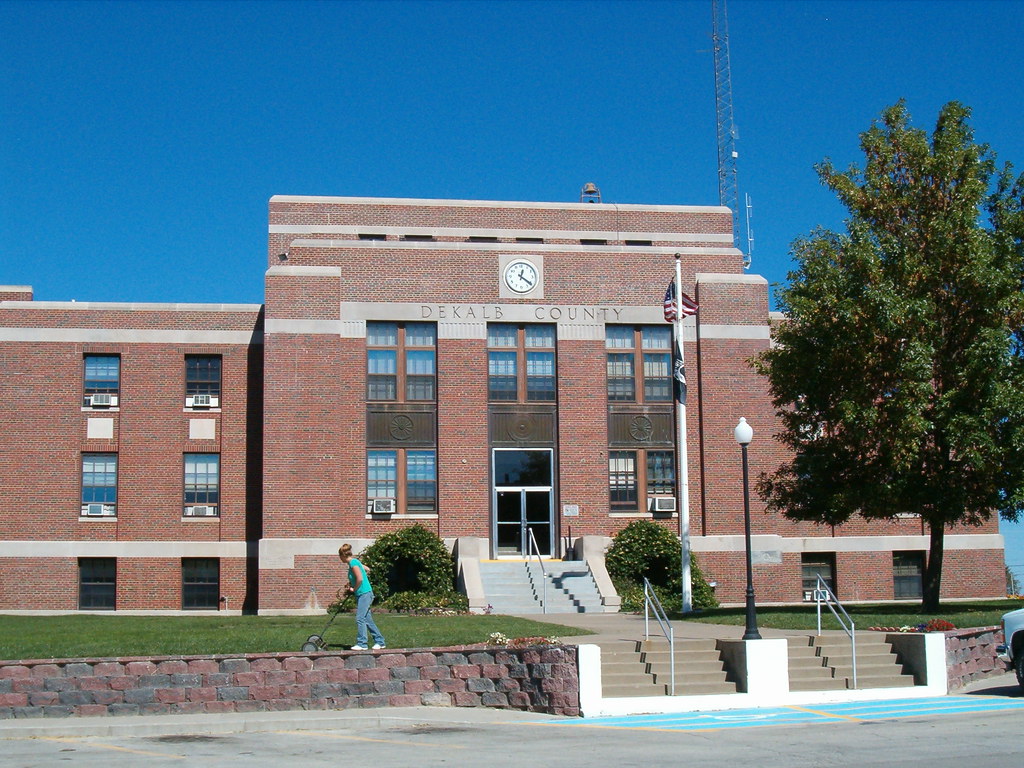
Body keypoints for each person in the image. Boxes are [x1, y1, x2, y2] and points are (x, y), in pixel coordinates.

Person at [338, 543, 386, 650]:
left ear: (343, 556)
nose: (340, 559)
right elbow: (367, 569)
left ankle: (362, 643)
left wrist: (354, 588)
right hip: (363, 593)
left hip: (364, 593)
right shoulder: (355, 562)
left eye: (339, 556)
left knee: (360, 618)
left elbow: (360, 578)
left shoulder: (353, 563)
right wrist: (352, 582)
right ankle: (380, 641)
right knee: (367, 619)